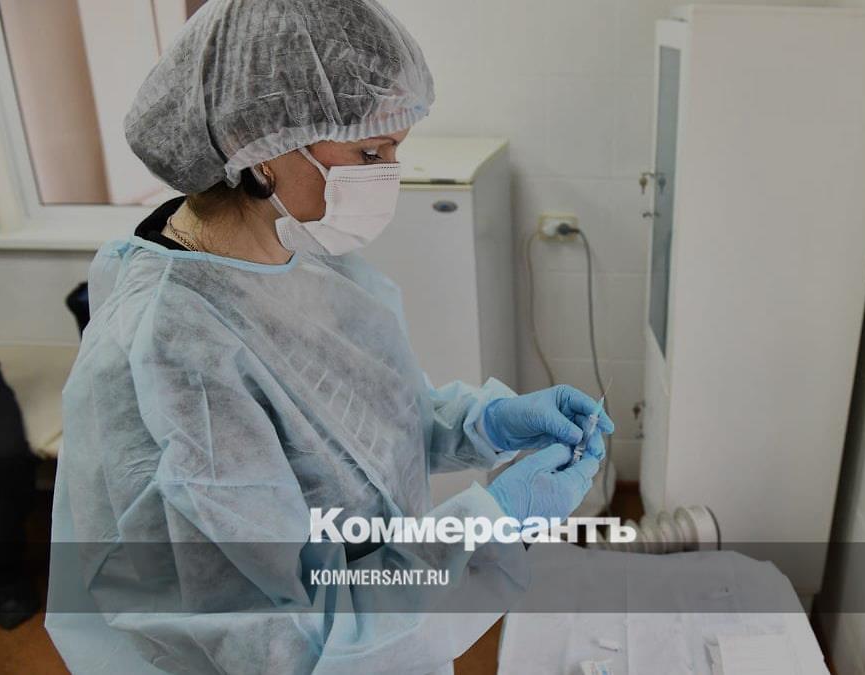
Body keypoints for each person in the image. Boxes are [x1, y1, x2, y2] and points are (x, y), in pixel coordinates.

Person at [45, 1, 613, 673]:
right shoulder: (173, 355)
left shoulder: (303, 257)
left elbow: (361, 428)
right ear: (261, 147)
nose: (388, 175)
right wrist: (491, 522)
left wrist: (481, 423)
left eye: (395, 150)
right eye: (369, 152)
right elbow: (287, 644)